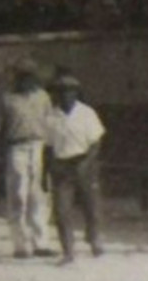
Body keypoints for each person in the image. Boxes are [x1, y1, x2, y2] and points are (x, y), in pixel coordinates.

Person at [0, 58, 53, 259]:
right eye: (22, 76)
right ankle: (20, 245)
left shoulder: (43, 97)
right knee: (18, 194)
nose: (26, 80)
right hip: (16, 147)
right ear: (16, 77)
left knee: (39, 195)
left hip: (38, 146)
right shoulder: (7, 98)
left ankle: (41, 243)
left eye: (30, 76)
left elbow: (50, 124)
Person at [44, 75, 106, 265]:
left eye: (69, 91)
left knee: (91, 207)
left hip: (84, 162)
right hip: (62, 167)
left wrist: (86, 163)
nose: (65, 95)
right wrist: (44, 172)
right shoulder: (51, 117)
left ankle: (94, 239)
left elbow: (96, 143)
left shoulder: (86, 113)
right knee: (62, 211)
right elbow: (48, 147)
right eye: (60, 92)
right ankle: (68, 251)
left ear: (76, 93)